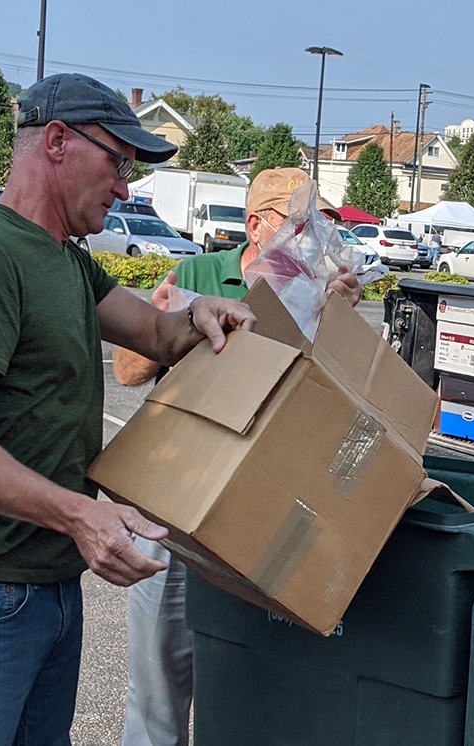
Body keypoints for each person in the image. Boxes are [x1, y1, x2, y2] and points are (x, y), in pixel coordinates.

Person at [0, 72, 257, 745]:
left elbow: (154, 334)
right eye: (117, 162)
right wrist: (80, 514)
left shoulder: (66, 259)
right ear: (56, 141)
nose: (125, 186)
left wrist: (199, 311)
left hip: (48, 589)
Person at [114, 166, 361, 746]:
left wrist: (341, 321)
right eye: (299, 223)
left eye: (317, 222)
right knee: (157, 685)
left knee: (253, 676)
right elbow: (127, 370)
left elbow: (342, 397)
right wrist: (183, 326)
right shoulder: (200, 272)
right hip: (174, 498)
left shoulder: (324, 290)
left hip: (260, 503)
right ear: (256, 224)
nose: (312, 236)